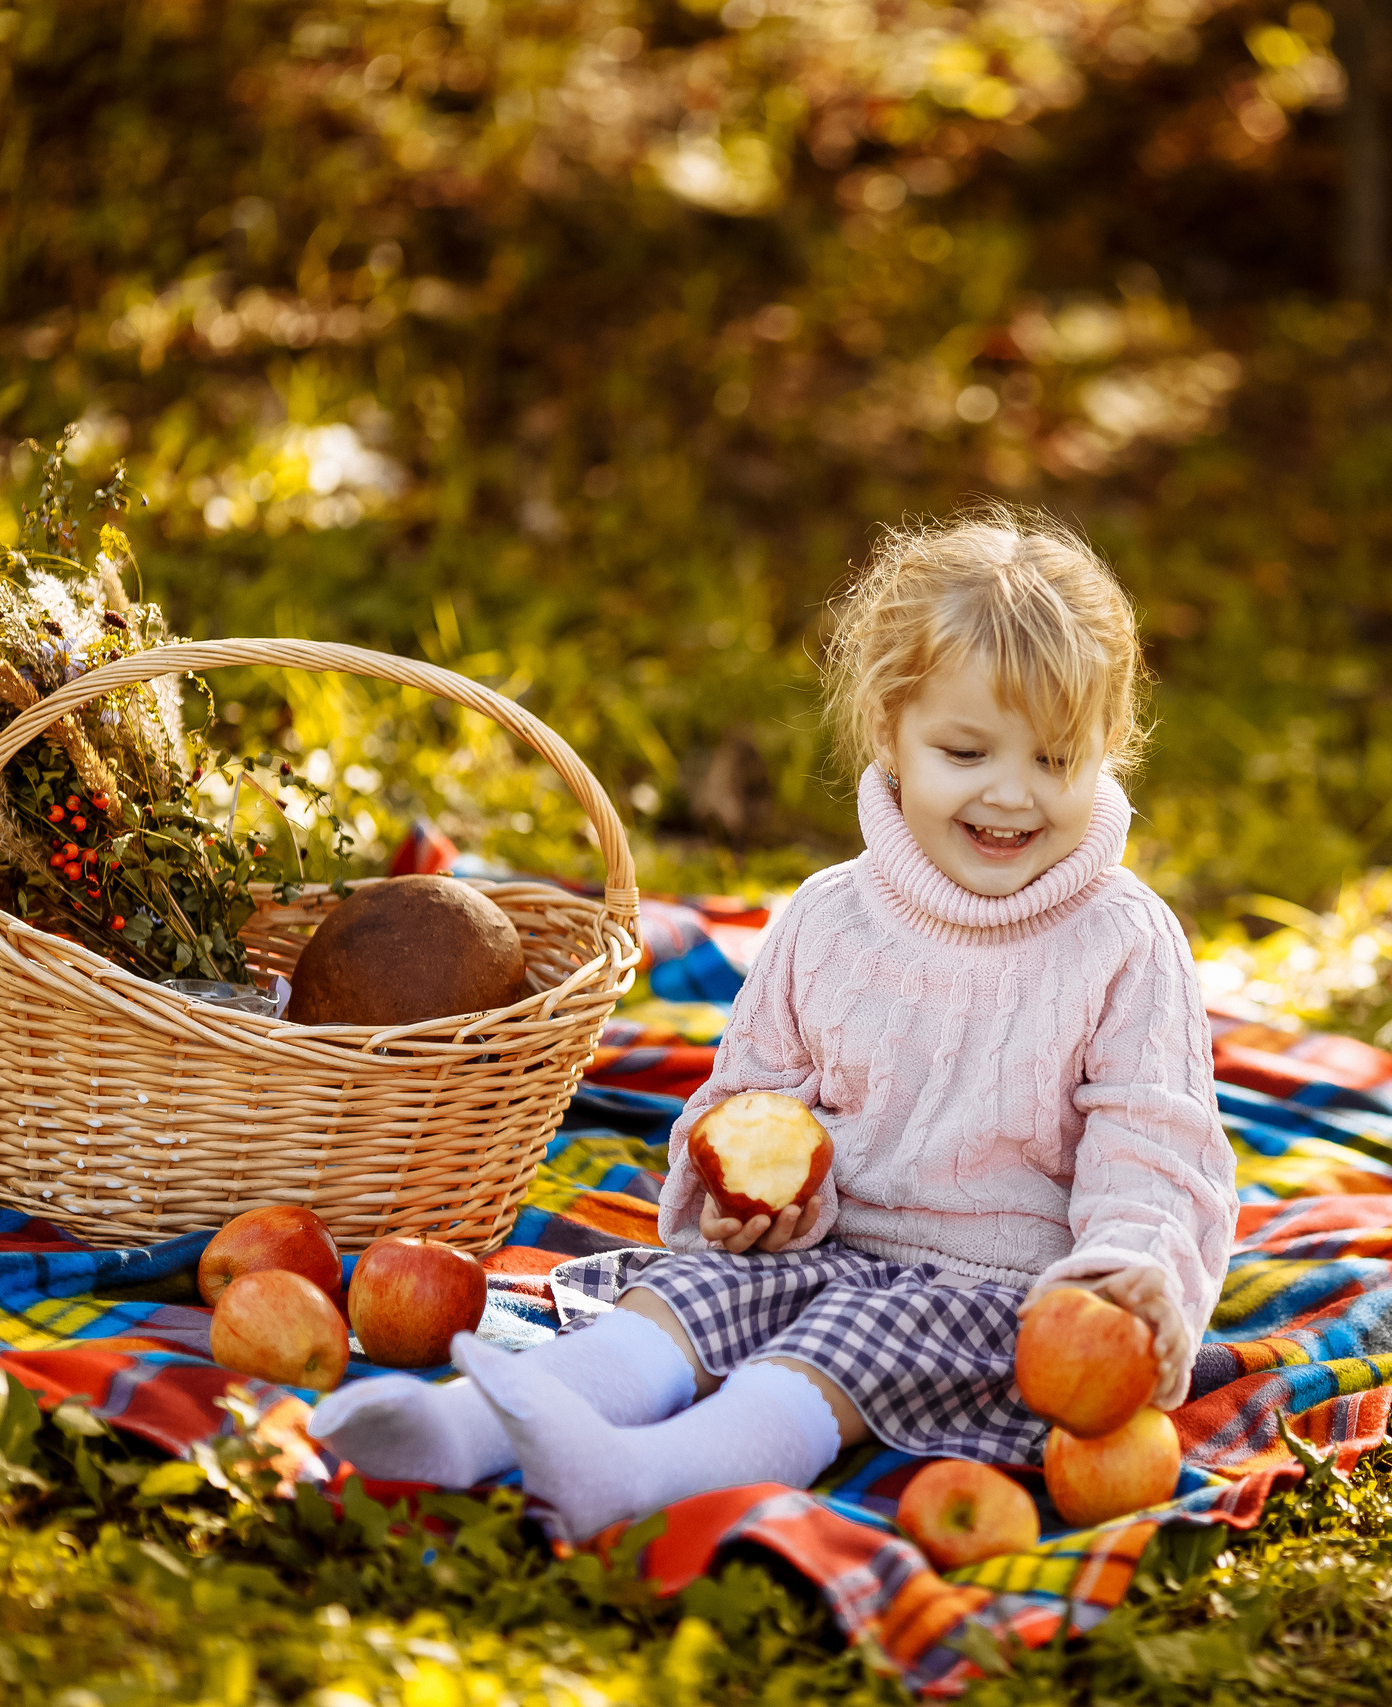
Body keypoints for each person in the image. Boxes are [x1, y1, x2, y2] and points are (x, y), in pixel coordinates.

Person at [309, 506, 1236, 1541]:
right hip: (821, 1245)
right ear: (891, 731)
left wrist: (1126, 1276)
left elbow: (1155, 1141)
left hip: (997, 1294)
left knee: (845, 1339)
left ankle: (647, 1474)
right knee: (689, 1296)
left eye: (1057, 761)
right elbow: (750, 1099)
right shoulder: (832, 917)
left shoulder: (1119, 937)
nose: (1012, 795)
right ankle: (467, 1426)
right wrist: (744, 1204)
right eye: (967, 751)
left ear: (1108, 752)